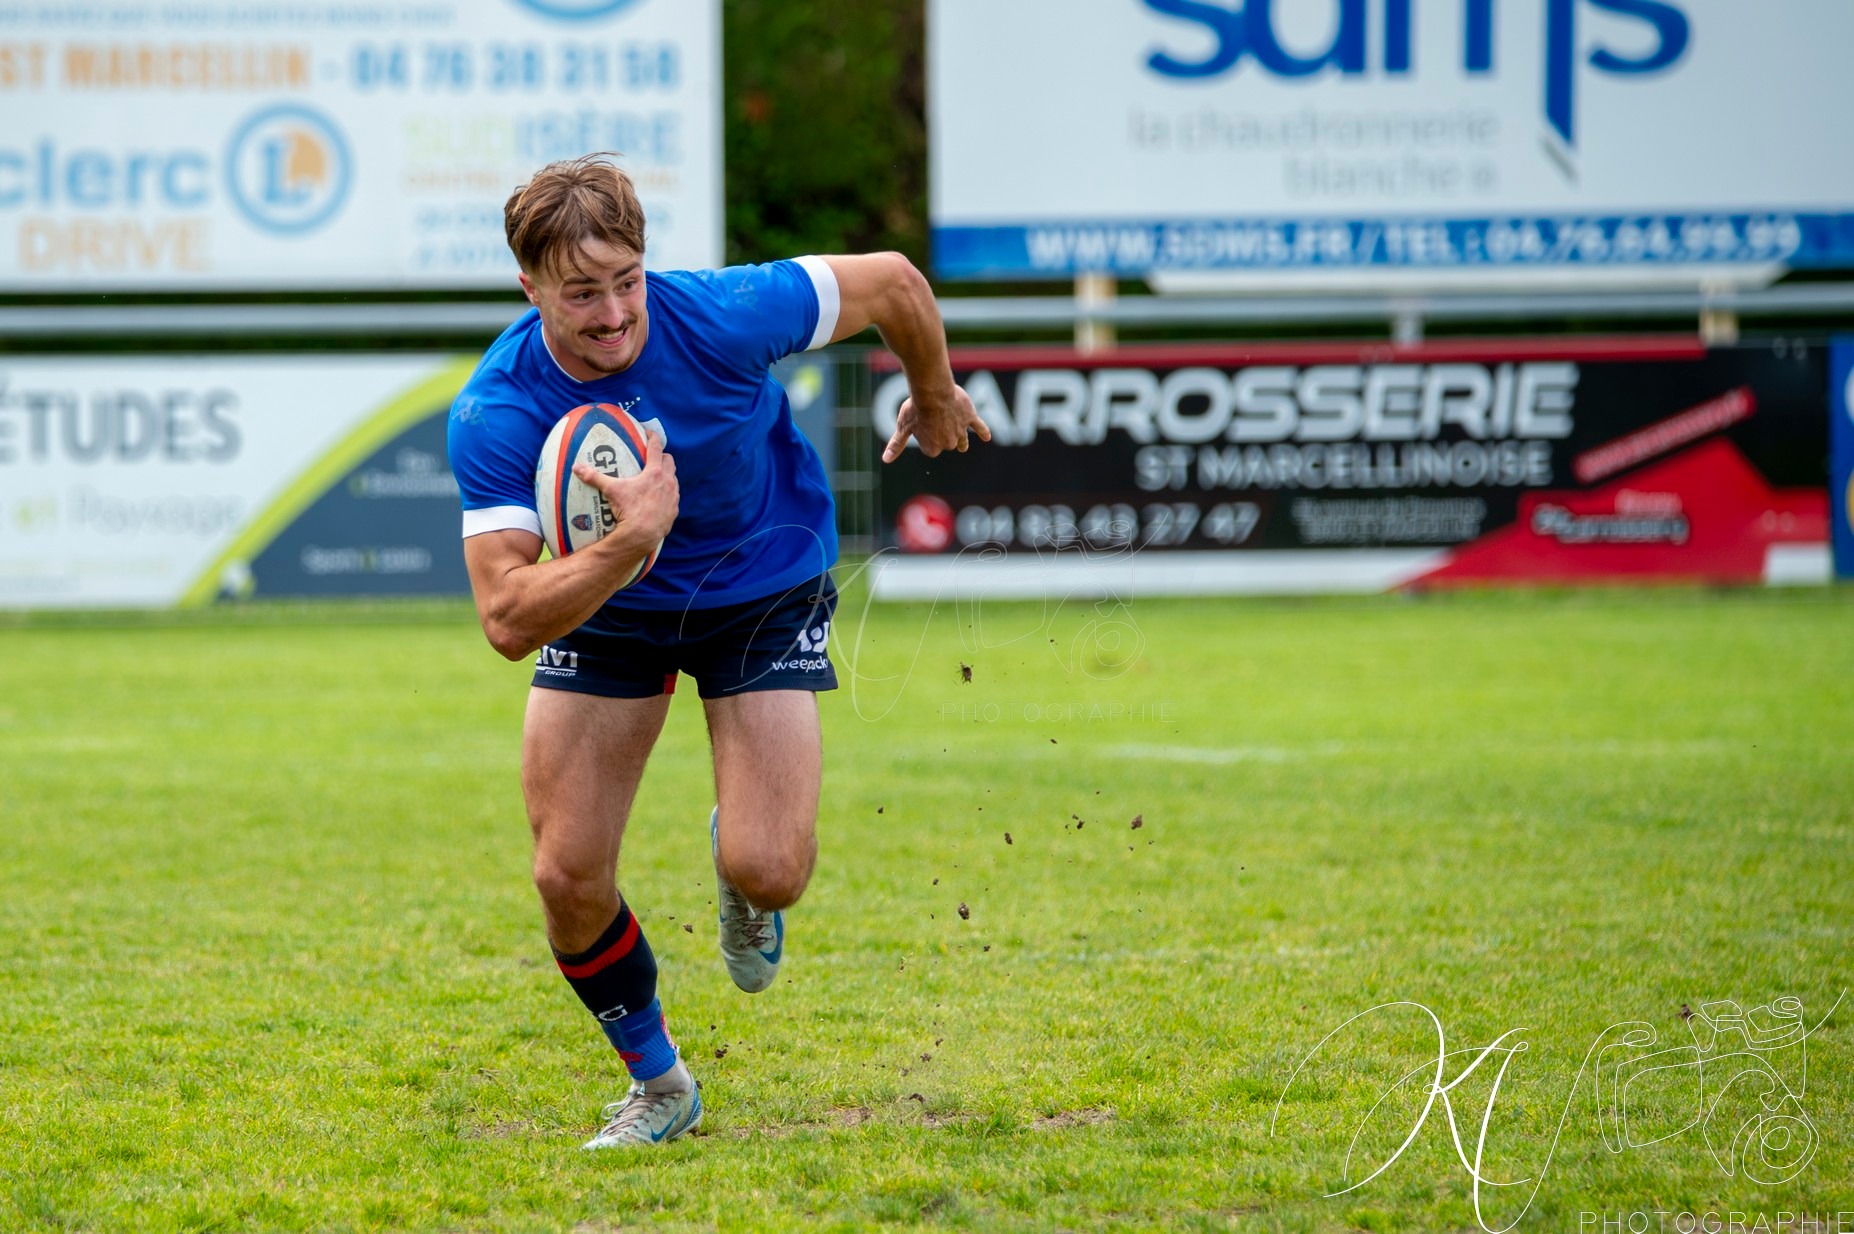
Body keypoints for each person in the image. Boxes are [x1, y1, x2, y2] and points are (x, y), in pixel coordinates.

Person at [446, 153, 987, 1148]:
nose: (615, 313)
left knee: (769, 866)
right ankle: (660, 1085)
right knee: (566, 875)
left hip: (759, 586)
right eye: (581, 293)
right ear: (529, 287)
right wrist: (630, 544)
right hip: (610, 606)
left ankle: (739, 862)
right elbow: (508, 618)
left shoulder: (723, 314)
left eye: (627, 281)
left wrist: (934, 387)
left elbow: (894, 282)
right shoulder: (498, 408)